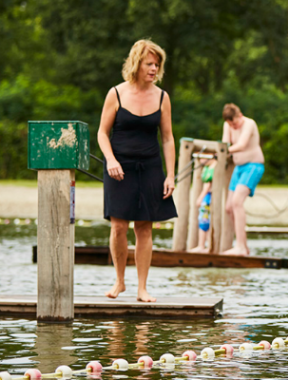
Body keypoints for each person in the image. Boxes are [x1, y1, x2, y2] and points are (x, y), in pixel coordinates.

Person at [97, 39, 177, 303]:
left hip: (150, 168)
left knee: (145, 227)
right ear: (136, 64)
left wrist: (170, 175)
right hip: (119, 168)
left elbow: (167, 138)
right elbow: (101, 133)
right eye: (149, 64)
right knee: (119, 227)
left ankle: (142, 288)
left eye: (157, 64)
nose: (154, 69)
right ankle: (120, 282)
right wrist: (110, 160)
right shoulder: (116, 93)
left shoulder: (162, 97)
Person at [221, 103, 265, 255]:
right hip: (238, 168)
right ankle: (242, 246)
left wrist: (221, 151)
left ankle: (240, 246)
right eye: (230, 124)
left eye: (235, 123)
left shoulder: (249, 123)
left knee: (237, 202)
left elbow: (241, 145)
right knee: (228, 207)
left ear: (239, 116)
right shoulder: (228, 125)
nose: (233, 126)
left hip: (253, 165)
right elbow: (225, 144)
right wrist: (220, 151)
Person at [190, 156, 216, 253]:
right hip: (209, 197)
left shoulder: (213, 167)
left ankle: (203, 246)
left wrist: (200, 198)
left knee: (204, 221)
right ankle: (206, 246)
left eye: (202, 157)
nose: (200, 160)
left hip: (207, 198)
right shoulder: (209, 167)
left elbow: (207, 186)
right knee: (206, 222)